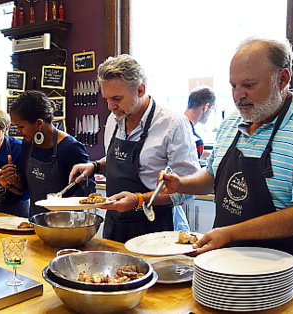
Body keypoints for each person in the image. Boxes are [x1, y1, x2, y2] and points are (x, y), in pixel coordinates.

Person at [161, 37, 293, 292]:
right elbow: (212, 176)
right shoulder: (232, 124)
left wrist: (229, 233)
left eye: (249, 85)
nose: (239, 96)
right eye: (234, 85)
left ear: (282, 79)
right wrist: (181, 184)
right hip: (231, 265)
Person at [69, 54, 200, 243]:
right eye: (106, 99)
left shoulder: (173, 125)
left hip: (156, 228)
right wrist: (96, 166)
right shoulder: (114, 120)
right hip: (116, 226)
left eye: (117, 98)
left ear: (140, 90)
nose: (110, 106)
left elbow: (188, 190)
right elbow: (120, 162)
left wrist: (139, 200)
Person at [3, 90, 93, 217]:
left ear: (39, 123)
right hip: (35, 219)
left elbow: (88, 187)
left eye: (21, 127)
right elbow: (25, 183)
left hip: (67, 223)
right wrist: (14, 179)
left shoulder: (70, 148)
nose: (18, 131)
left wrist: (65, 208)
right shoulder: (28, 143)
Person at [184, 86, 216, 158]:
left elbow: (190, 153)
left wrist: (211, 154)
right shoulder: (184, 129)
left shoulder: (184, 125)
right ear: (206, 107)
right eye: (212, 109)